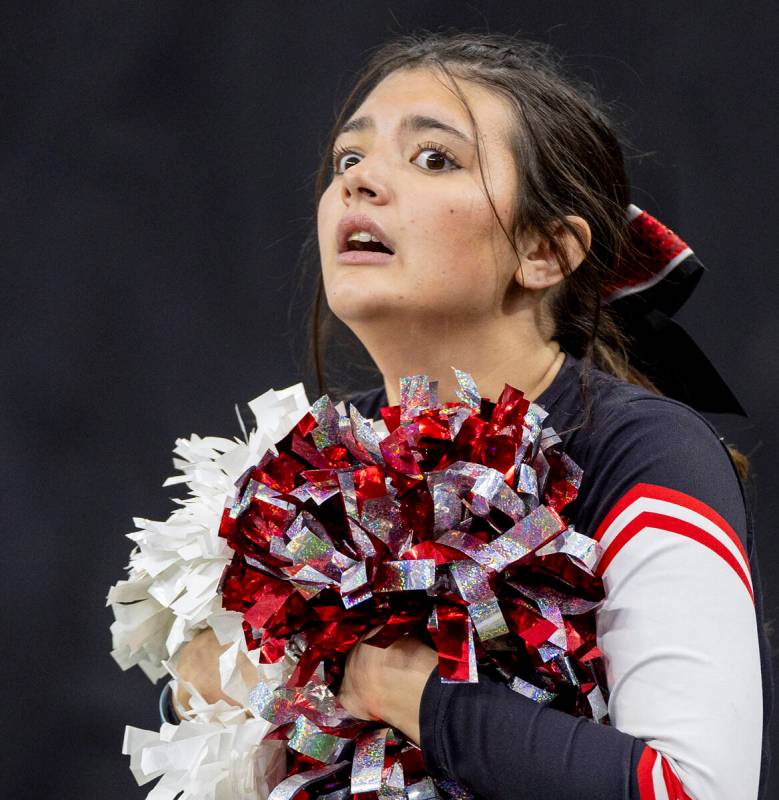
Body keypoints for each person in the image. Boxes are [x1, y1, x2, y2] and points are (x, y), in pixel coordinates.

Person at [166, 30, 772, 799]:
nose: (360, 183)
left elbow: (692, 790)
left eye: (432, 159)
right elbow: (220, 708)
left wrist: (403, 690)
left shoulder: (642, 450)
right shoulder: (303, 463)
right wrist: (193, 683)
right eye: (349, 159)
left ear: (546, 251)